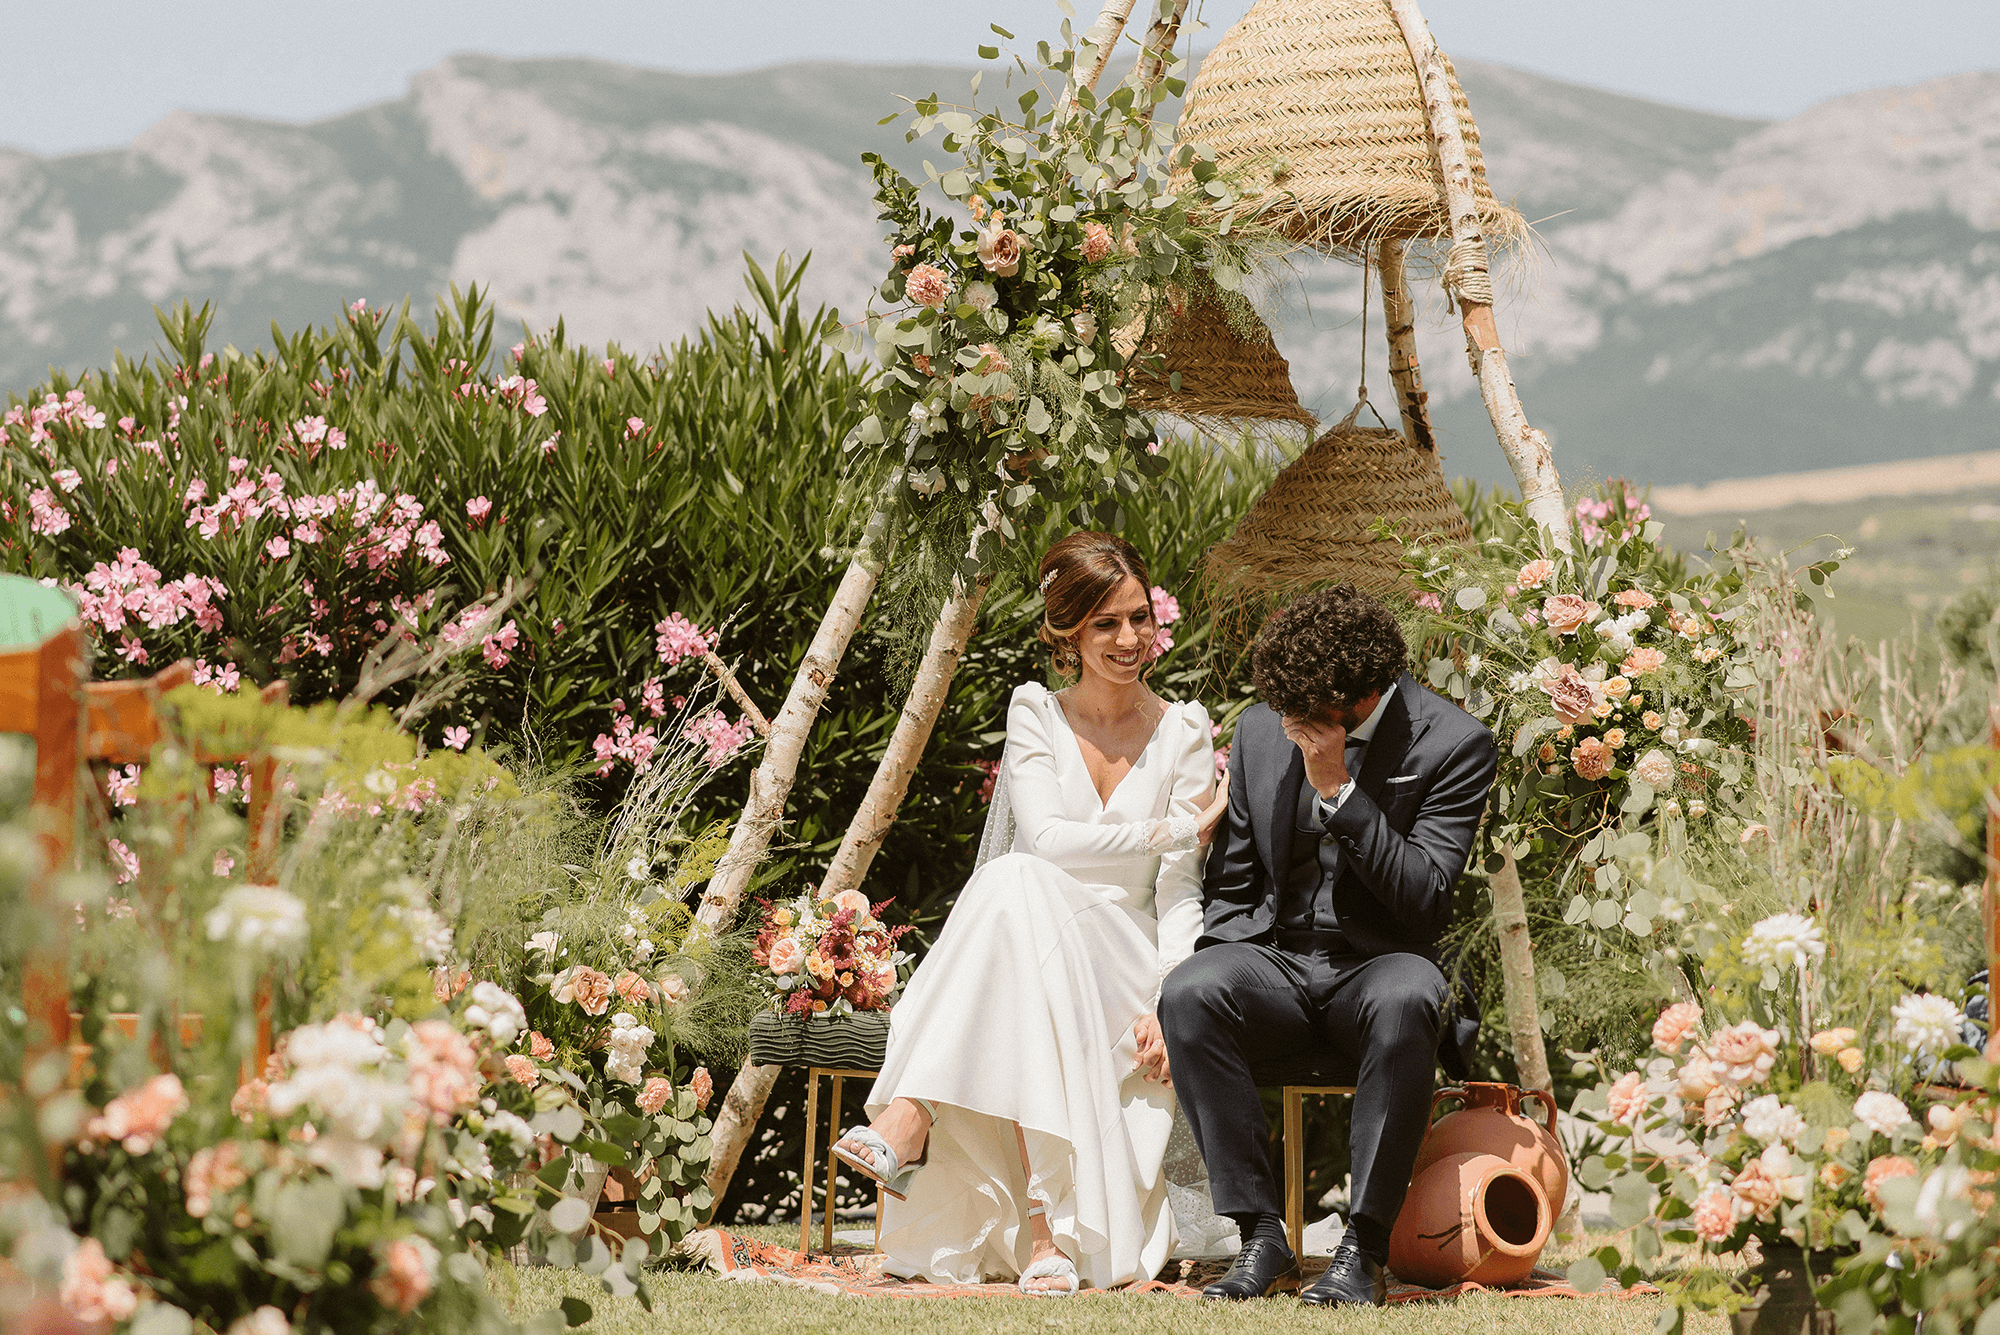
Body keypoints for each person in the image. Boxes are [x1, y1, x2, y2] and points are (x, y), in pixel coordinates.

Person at [833, 532, 1228, 1295]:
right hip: (1037, 941)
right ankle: (1046, 1231)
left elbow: (1180, 892)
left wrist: (1167, 998)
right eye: (1105, 622)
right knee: (1021, 883)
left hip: (1124, 954)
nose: (1128, 638)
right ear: (1068, 632)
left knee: (1014, 884)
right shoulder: (1034, 712)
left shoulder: (1184, 728)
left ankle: (909, 1119)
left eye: (1139, 617)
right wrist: (1178, 824)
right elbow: (1047, 838)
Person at [1159, 584, 1499, 1307]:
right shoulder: (1260, 730)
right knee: (1190, 989)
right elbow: (1235, 883)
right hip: (1279, 959)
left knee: (1410, 994)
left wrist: (1340, 789)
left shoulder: (1453, 742)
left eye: (1307, 713)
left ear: (1363, 694)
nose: (1290, 725)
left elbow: (1426, 897)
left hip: (1382, 961)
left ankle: (1362, 1249)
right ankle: (1260, 1234)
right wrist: (1218, 958)